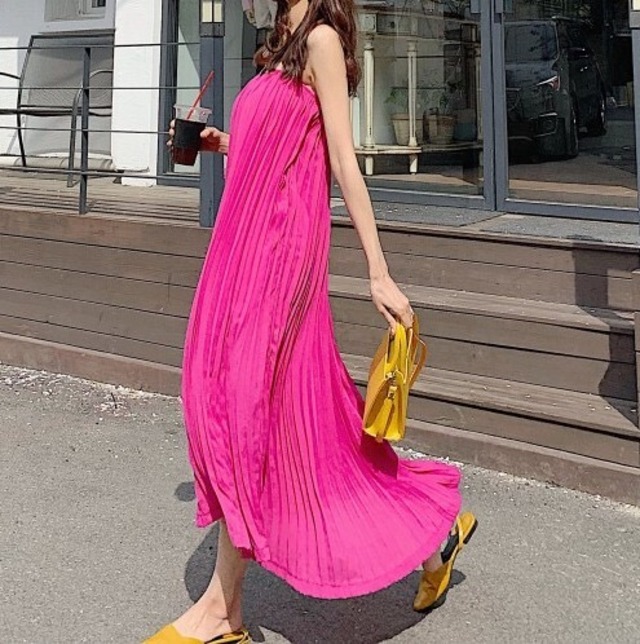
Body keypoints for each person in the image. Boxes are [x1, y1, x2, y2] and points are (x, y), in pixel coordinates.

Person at [146, 1, 476, 642]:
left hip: (282, 250)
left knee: (246, 402)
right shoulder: (281, 42)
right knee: (272, 408)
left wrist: (377, 271)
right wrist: (221, 143)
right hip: (242, 241)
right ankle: (433, 531)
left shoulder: (321, 38)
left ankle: (221, 612)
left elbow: (341, 161)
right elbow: (282, 147)